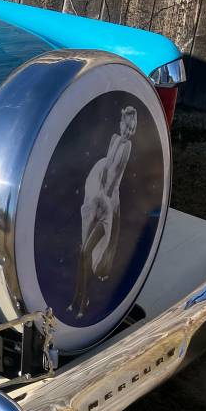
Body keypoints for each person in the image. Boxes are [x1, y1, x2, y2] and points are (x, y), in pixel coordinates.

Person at [70, 105, 138, 318]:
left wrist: (103, 200)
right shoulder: (114, 138)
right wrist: (96, 195)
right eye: (125, 127)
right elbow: (105, 169)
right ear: (120, 124)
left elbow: (115, 177)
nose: (127, 132)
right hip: (96, 197)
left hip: (107, 203)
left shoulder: (127, 146)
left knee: (86, 252)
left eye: (131, 128)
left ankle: (82, 302)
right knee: (83, 253)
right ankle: (79, 298)